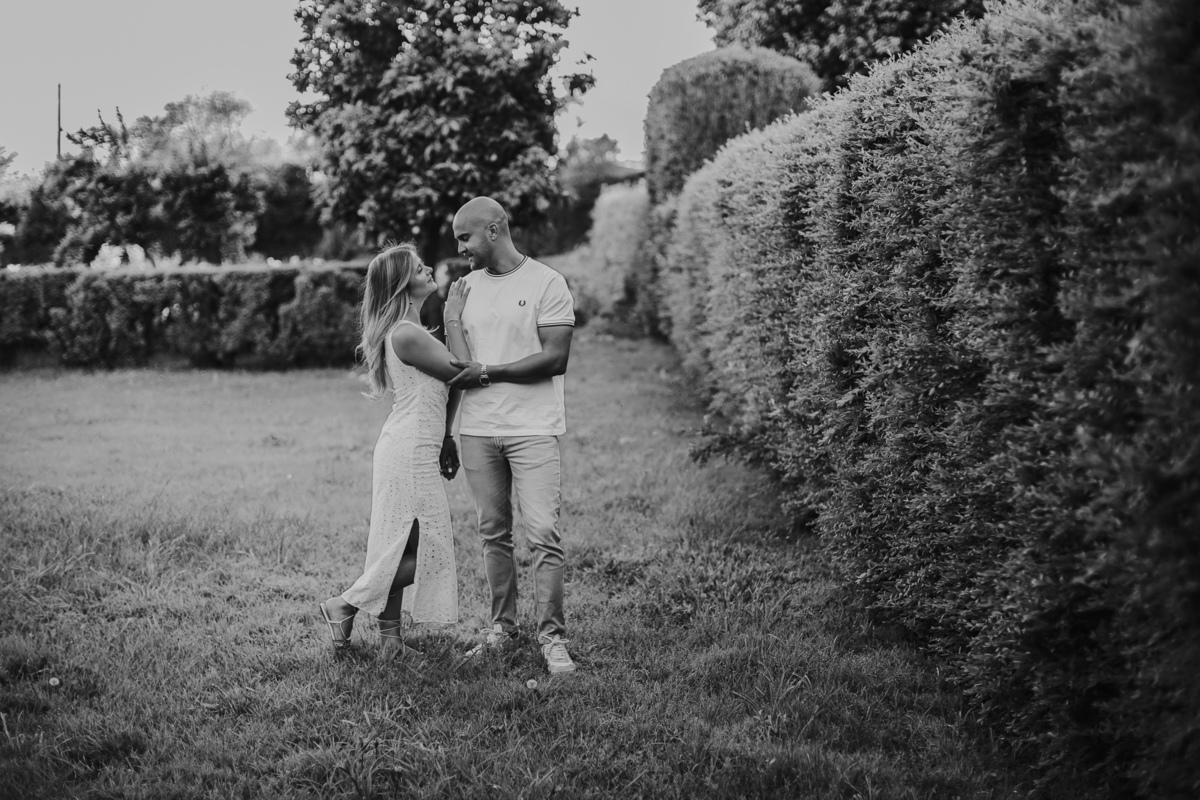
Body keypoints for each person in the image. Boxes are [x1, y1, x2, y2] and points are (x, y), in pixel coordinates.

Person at [319, 242, 474, 658]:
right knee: (425, 550)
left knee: (400, 545)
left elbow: (445, 388)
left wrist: (446, 436)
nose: (428, 270)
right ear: (402, 285)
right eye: (419, 269)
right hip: (409, 451)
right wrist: (454, 315)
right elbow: (465, 374)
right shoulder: (406, 333)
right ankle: (345, 604)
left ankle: (391, 643)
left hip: (412, 445)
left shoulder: (412, 331)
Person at [445, 196, 577, 674]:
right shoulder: (464, 289)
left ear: (494, 230)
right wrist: (452, 317)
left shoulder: (546, 282)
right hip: (478, 431)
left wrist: (490, 372)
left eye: (465, 237)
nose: (460, 248)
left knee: (542, 533)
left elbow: (555, 358)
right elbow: (460, 367)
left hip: (532, 428)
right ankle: (503, 629)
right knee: (492, 533)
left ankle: (552, 638)